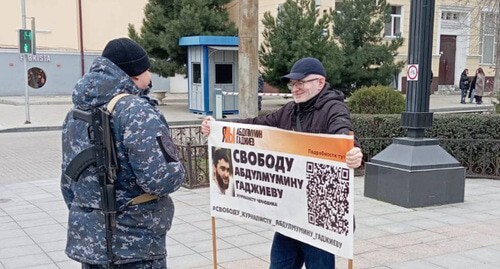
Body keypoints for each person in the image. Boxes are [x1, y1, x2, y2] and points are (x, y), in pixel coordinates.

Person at [201, 57, 363, 269]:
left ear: (320, 83)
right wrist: (219, 127)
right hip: (289, 211)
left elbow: (343, 132)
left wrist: (354, 152)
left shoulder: (334, 108)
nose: (295, 88)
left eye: (301, 83)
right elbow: (256, 127)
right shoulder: (289, 110)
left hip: (319, 217)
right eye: (292, 84)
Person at [61, 38, 185, 268]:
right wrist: (179, 169)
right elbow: (162, 180)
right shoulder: (136, 111)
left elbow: (68, 184)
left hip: (91, 244)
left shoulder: (75, 113)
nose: (150, 77)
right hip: (136, 246)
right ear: (136, 74)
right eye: (148, 70)